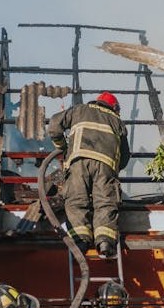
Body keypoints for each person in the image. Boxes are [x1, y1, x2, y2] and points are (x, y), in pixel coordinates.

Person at [47, 91, 131, 259]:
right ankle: (105, 242)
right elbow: (124, 158)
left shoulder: (79, 110)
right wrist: (112, 170)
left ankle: (81, 241)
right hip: (106, 167)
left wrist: (62, 147)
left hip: (79, 162)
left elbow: (54, 125)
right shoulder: (118, 122)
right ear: (114, 107)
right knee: (105, 202)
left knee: (76, 200)